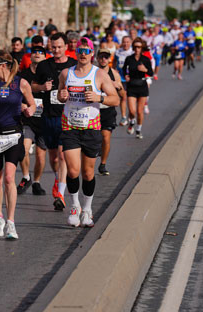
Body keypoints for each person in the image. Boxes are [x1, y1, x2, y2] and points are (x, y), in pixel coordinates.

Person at [57, 37, 119, 228]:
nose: (83, 54)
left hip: (91, 128)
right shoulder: (66, 73)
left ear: (92, 54)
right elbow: (59, 95)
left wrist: (99, 97)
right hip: (70, 127)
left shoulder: (99, 75)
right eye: (80, 51)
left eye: (86, 51)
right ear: (76, 53)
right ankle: (75, 207)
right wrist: (62, 95)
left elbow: (115, 99)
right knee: (73, 170)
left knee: (88, 172)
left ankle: (87, 210)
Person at [0, 51, 36, 240]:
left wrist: (29, 110)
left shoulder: (21, 83)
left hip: (13, 135)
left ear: (2, 65)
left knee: (10, 178)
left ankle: (10, 222)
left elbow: (33, 105)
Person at [32, 32, 77, 211]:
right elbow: (33, 85)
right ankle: (58, 179)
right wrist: (43, 87)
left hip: (66, 116)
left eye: (60, 47)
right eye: (54, 47)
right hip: (48, 116)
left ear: (66, 47)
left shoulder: (73, 65)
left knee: (62, 155)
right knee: (53, 157)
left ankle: (60, 192)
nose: (56, 50)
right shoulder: (44, 65)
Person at [17, 46, 48, 196]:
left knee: (41, 156)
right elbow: (15, 94)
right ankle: (26, 177)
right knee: (23, 148)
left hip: (43, 120)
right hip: (27, 119)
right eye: (35, 52)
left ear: (45, 57)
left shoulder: (49, 74)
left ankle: (37, 181)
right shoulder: (24, 75)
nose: (37, 54)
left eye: (41, 52)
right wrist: (22, 105)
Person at [95, 49, 124, 175]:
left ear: (109, 59)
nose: (103, 60)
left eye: (106, 57)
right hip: (93, 110)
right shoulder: (92, 72)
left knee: (106, 137)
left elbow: (122, 95)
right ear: (97, 58)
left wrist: (118, 86)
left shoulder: (115, 74)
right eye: (101, 57)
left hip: (108, 111)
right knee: (94, 138)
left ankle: (103, 164)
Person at [122, 38, 153, 139]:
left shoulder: (145, 59)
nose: (137, 49)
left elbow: (151, 73)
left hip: (142, 86)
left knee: (139, 111)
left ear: (142, 48)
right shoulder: (129, 58)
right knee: (132, 111)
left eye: (139, 47)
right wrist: (126, 75)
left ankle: (138, 130)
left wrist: (145, 69)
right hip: (132, 86)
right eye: (135, 47)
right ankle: (131, 122)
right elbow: (124, 69)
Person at [115, 36, 132, 126]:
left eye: (128, 42)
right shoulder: (118, 52)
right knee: (123, 97)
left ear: (130, 42)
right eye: (124, 42)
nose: (126, 44)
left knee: (130, 97)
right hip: (120, 78)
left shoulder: (133, 52)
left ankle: (131, 114)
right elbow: (114, 62)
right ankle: (123, 116)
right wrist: (114, 70)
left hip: (131, 78)